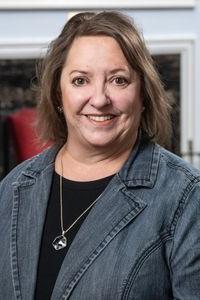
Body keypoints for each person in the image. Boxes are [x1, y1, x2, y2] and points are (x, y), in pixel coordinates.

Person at [0, 11, 200, 300]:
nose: (99, 99)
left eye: (118, 80)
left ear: (143, 94)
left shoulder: (186, 197)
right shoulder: (12, 189)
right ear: (58, 94)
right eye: (80, 80)